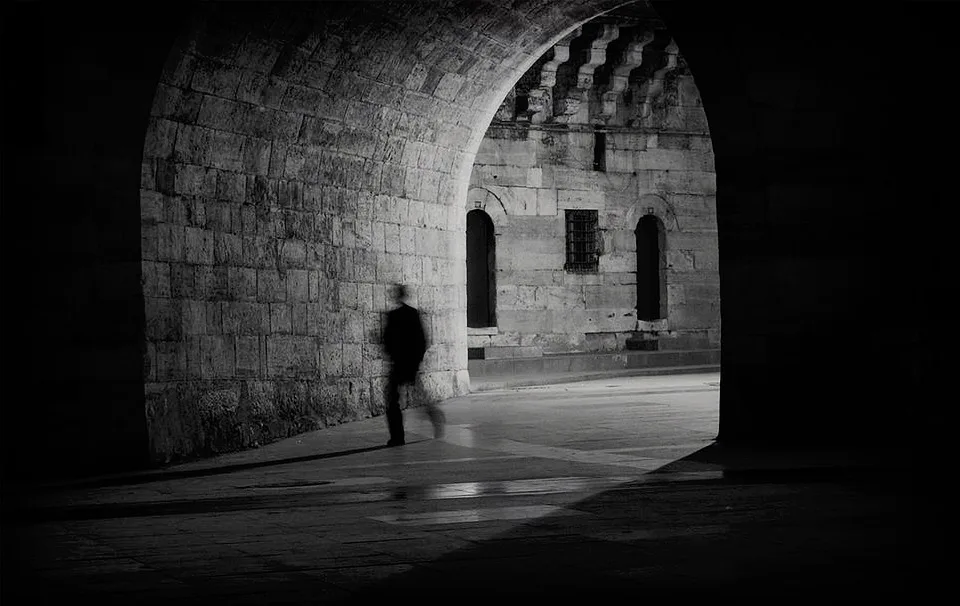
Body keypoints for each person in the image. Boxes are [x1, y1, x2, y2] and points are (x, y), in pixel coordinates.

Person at [382, 284, 444, 446]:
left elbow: (388, 339)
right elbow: (422, 340)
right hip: (409, 363)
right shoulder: (411, 314)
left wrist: (392, 355)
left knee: (393, 399)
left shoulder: (394, 316)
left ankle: (398, 436)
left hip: (401, 363)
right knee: (417, 397)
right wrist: (417, 360)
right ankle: (434, 416)